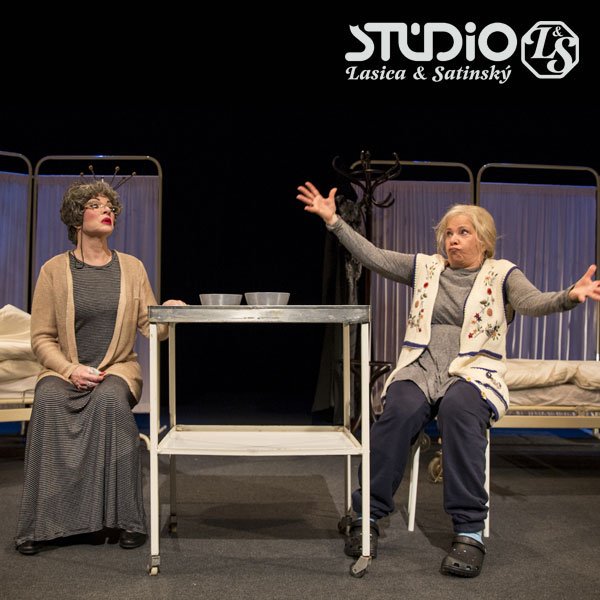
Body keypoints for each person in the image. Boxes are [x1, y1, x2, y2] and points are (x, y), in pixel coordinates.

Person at [296, 180, 600, 577]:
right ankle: (365, 514)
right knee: (397, 413)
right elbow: (374, 257)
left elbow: (531, 302)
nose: (452, 240)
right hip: (421, 367)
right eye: (448, 233)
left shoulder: (502, 274)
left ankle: (469, 531)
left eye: (463, 232)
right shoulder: (427, 268)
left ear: (484, 240)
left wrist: (568, 296)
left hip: (474, 371)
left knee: (459, 410)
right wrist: (334, 221)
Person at [15, 180, 186, 555]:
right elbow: (41, 338)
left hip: (118, 369)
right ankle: (43, 523)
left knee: (109, 400)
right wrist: (69, 370)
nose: (106, 210)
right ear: (77, 217)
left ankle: (126, 519)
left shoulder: (132, 268)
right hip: (63, 371)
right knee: (47, 399)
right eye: (95, 204)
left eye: (110, 206)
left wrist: (168, 314)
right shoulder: (53, 271)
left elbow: (151, 328)